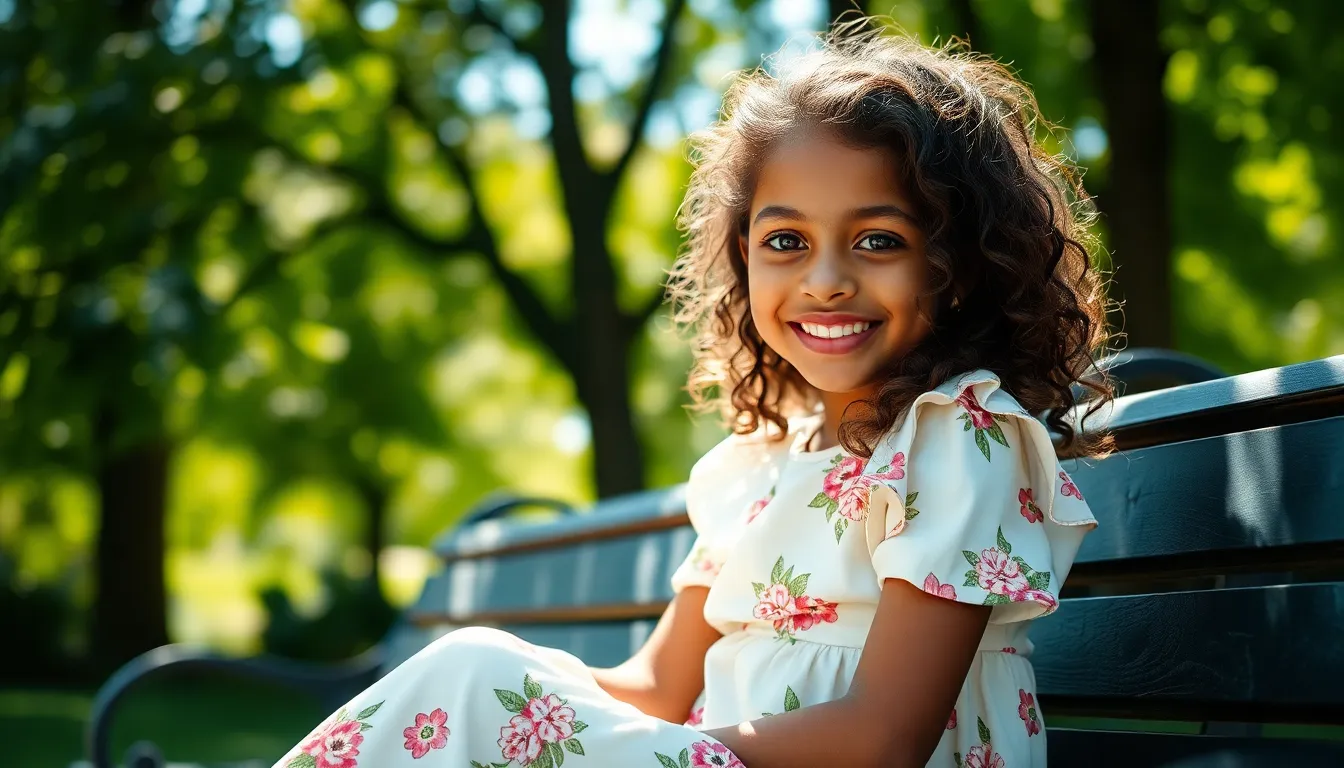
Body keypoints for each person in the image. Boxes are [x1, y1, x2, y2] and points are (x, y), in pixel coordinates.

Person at [273, 20, 1117, 768]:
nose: (825, 281)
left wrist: (647, 749)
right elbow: (650, 689)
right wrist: (528, 697)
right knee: (475, 671)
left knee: (473, 677)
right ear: (742, 256)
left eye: (877, 239)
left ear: (961, 264)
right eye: (785, 240)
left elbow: (883, 740)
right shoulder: (758, 469)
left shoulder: (958, 439)